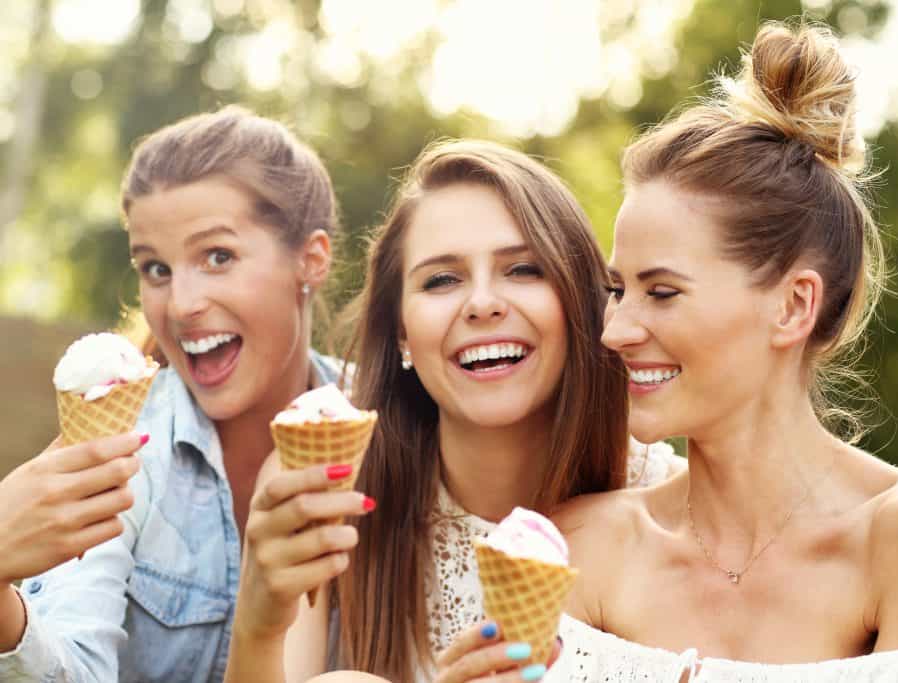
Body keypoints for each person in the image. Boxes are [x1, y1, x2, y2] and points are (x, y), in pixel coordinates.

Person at [531, 20, 898, 681]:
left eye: (661, 292)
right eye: (617, 288)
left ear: (793, 305)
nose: (615, 330)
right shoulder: (581, 545)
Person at [224, 140, 681, 683]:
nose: (482, 303)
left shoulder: (670, 505)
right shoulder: (329, 488)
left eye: (524, 270)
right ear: (401, 333)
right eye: (442, 280)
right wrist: (257, 624)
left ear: (580, 303)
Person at [0, 105, 354, 682]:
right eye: (156, 269)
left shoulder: (393, 419)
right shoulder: (124, 451)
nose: (182, 303)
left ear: (309, 260)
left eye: (218, 257)